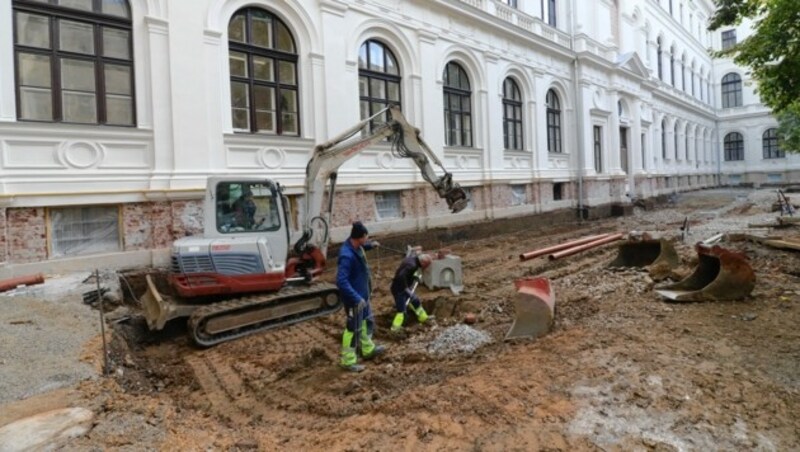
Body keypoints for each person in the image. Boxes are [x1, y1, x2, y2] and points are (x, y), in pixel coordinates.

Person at [336, 221, 384, 372]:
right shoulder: (347, 256)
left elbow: (362, 247)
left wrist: (371, 245)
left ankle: (367, 349)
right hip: (354, 300)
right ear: (359, 238)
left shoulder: (355, 246)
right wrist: (356, 298)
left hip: (362, 296)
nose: (367, 239)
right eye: (366, 238)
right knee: (352, 329)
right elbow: (341, 281)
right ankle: (348, 361)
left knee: (363, 324)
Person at [389, 253, 432, 333]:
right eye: (427, 265)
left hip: (404, 287)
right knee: (401, 310)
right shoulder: (411, 265)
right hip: (399, 289)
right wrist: (405, 289)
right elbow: (401, 276)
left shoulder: (414, 260)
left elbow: (407, 273)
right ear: (423, 262)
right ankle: (395, 329)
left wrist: (414, 277)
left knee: (415, 301)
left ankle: (423, 317)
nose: (426, 267)